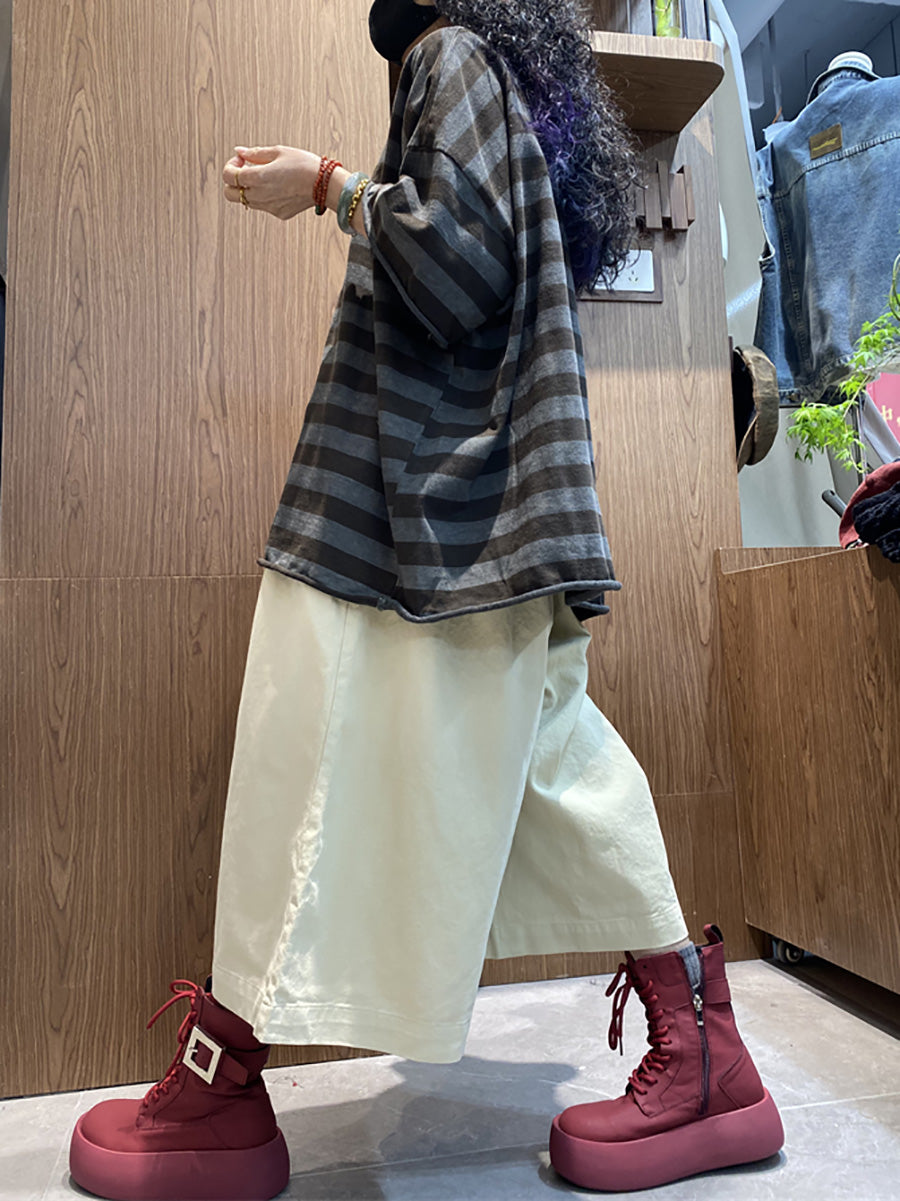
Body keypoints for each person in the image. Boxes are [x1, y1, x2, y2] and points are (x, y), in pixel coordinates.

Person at [69, 2, 784, 1198]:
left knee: (303, 746)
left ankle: (222, 1080)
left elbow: (452, 262)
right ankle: (705, 1050)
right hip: (508, 516)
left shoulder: (446, 53)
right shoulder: (493, 70)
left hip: (419, 519)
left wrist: (328, 187)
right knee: (555, 766)